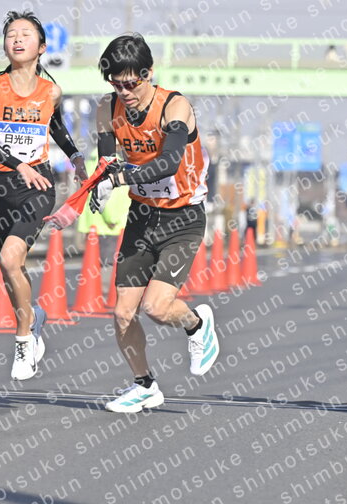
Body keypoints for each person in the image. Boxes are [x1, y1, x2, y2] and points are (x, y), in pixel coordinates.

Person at [91, 33, 218, 413]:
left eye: (131, 83)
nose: (124, 92)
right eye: (116, 83)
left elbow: (168, 163)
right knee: (122, 313)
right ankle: (144, 384)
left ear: (148, 73)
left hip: (183, 217)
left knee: (158, 308)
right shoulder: (107, 108)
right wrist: (100, 183)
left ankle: (196, 324)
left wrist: (118, 179)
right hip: (143, 215)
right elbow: (107, 162)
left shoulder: (174, 107)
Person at [0, 11, 87, 381]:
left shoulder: (50, 91)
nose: (17, 39)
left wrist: (76, 159)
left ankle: (24, 341)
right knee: (10, 268)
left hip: (37, 185)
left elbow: (57, 129)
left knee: (11, 258)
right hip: (1, 186)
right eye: (11, 34)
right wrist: (15, 164)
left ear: (41, 47)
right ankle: (32, 318)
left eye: (26, 34)